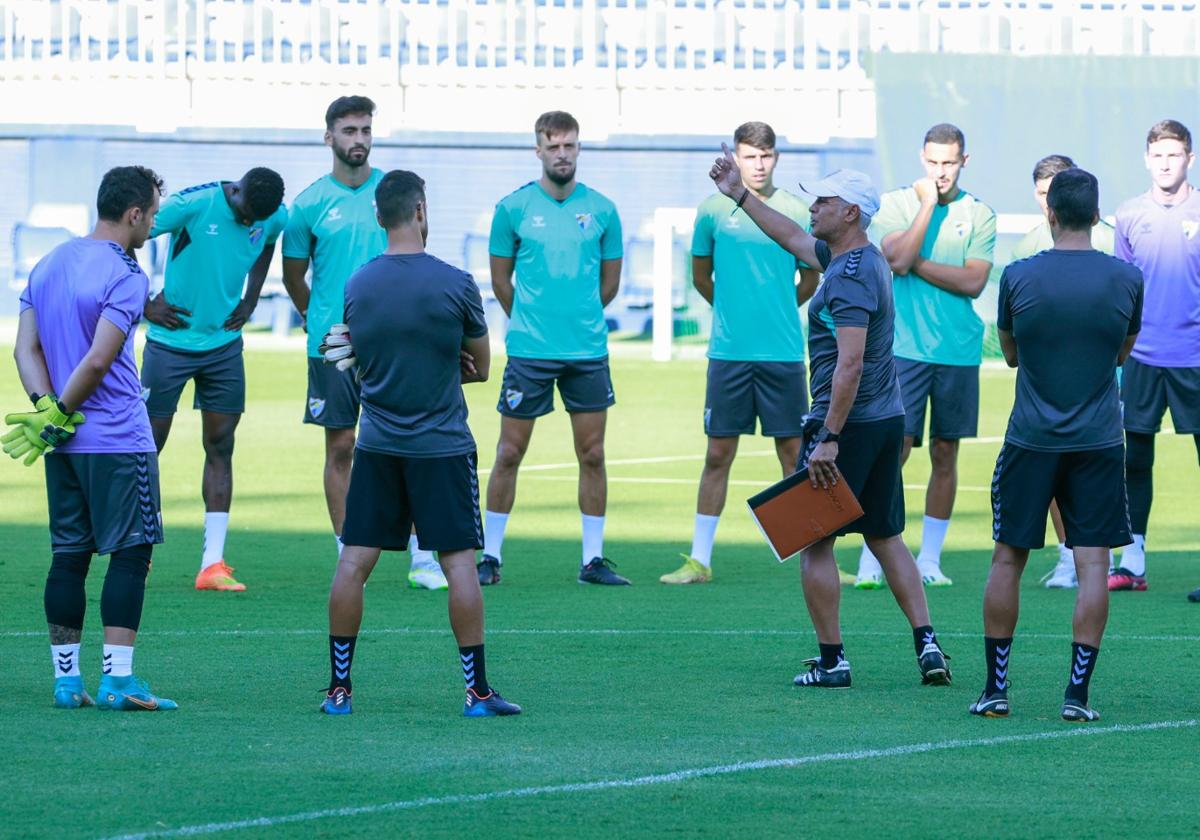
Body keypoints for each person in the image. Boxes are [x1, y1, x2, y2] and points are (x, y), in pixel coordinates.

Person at [708, 148, 952, 689]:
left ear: (851, 214)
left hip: (847, 426)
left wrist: (829, 438)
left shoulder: (847, 277)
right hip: (887, 420)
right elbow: (792, 238)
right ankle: (927, 643)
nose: (812, 206)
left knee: (814, 541)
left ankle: (833, 660)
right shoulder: (860, 260)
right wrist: (741, 195)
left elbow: (850, 362)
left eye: (824, 200)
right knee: (886, 536)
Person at [319, 169, 520, 717]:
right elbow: (479, 368)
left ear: (379, 217)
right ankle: (476, 693)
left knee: (354, 564)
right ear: (422, 211)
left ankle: (340, 691)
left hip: (378, 445)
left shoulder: (358, 284)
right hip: (442, 447)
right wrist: (445, 361)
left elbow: (360, 357)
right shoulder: (456, 283)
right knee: (458, 564)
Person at [971, 168, 1142, 722]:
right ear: (1096, 215)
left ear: (1049, 214)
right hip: (1097, 439)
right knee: (1093, 566)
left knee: (1008, 559)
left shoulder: (1018, 276)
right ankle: (1077, 697)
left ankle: (996, 690)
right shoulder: (1126, 279)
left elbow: (1012, 354)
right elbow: (1122, 352)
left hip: (1031, 439)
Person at [4, 166, 176, 711]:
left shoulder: (49, 262)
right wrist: (62, 410)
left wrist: (47, 411)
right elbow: (101, 357)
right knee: (130, 554)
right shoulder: (127, 273)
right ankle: (119, 682)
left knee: (68, 556)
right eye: (151, 213)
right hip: (118, 439)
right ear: (133, 214)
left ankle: (65, 681)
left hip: (64, 441)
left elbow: (23, 350)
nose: (152, 223)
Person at [282, 95, 446, 589]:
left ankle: (424, 557)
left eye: (366, 130)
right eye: (349, 131)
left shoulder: (395, 194)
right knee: (342, 446)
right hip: (332, 345)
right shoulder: (309, 204)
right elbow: (294, 277)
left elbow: (420, 252)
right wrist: (320, 317)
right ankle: (347, 551)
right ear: (328, 136)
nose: (359, 140)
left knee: (412, 445)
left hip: (395, 342)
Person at [661, 121, 823, 585]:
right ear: (736, 156)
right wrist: (734, 309)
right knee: (718, 453)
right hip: (729, 353)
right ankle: (699, 560)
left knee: (794, 453)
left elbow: (809, 276)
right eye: (750, 155)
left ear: (776, 158)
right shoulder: (712, 210)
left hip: (783, 354)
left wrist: (775, 308)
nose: (758, 164)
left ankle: (812, 549)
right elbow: (700, 276)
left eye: (766, 156)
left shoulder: (796, 209)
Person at [481, 110, 626, 586]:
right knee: (509, 452)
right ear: (538, 150)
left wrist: (577, 314)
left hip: (586, 350)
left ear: (579, 148)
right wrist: (531, 319)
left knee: (593, 454)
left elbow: (609, 285)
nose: (562, 154)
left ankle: (593, 560)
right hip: (529, 351)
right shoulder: (513, 208)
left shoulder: (603, 210)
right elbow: (501, 282)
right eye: (553, 145)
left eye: (569, 145)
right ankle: (490, 556)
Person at [856, 123, 996, 589]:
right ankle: (871, 555)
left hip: (957, 352)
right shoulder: (898, 203)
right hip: (903, 352)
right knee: (893, 451)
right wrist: (926, 206)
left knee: (944, 452)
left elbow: (973, 282)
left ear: (964, 161)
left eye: (949, 162)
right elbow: (896, 259)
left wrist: (916, 263)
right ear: (922, 158)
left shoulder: (980, 214)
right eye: (934, 162)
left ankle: (930, 559)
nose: (940, 171)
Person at [141, 168, 287, 593]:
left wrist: (252, 299)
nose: (248, 224)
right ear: (235, 191)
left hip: (224, 345)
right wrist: (142, 301)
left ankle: (212, 565)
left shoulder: (271, 214)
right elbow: (129, 235)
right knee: (148, 445)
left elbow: (269, 245)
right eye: (244, 215)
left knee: (221, 445)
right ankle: (138, 549)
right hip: (170, 342)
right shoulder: (193, 205)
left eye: (255, 221)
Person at [1007, 154, 1117, 590]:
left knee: (1009, 552)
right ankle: (1070, 553)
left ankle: (1091, 554)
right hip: (1051, 403)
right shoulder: (1023, 252)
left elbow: (1011, 347)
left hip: (1095, 396)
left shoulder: (1111, 246)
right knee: (1057, 479)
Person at [1110, 119, 1200, 598]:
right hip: (1142, 358)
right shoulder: (1128, 215)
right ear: (1147, 159)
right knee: (1135, 459)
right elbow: (1123, 290)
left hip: (1196, 359)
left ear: (1189, 157)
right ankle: (1133, 562)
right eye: (1158, 155)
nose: (1166, 163)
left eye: (1175, 154)